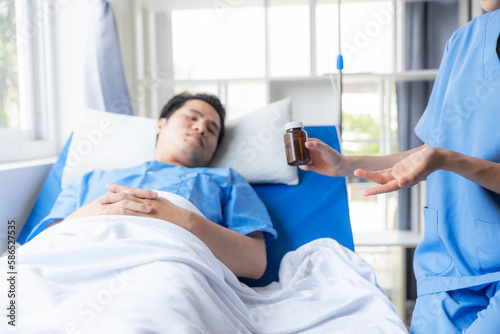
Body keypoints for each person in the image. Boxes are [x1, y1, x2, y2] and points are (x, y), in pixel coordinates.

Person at [300, 2, 500, 333]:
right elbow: (436, 147)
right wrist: (347, 166)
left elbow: (443, 155)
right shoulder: (462, 42)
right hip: (447, 265)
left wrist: (446, 160)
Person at [33, 92, 277, 280]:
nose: (201, 127)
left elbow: (254, 263)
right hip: (76, 264)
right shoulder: (89, 180)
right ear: (161, 125)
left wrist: (183, 220)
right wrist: (102, 209)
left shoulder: (226, 180)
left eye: (212, 129)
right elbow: (45, 247)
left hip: (165, 272)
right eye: (192, 117)